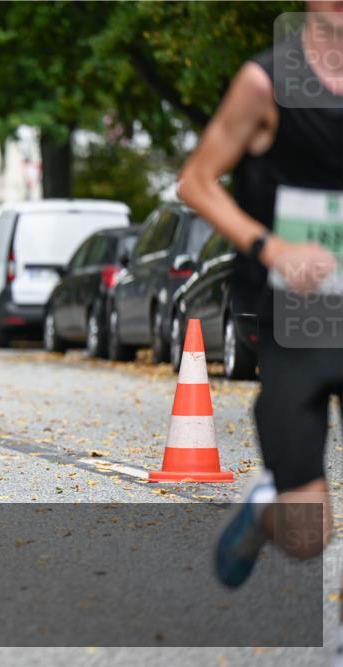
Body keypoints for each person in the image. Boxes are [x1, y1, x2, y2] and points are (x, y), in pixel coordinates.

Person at [178, 3, 342, 596]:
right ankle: (267, 511)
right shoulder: (265, 81)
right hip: (295, 319)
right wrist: (271, 248)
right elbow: (196, 180)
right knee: (306, 535)